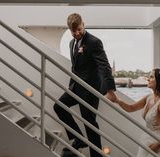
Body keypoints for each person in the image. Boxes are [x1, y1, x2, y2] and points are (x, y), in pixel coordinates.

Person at [53, 13, 117, 157]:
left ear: (84, 24)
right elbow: (75, 68)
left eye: (79, 29)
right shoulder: (71, 43)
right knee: (59, 106)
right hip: (76, 87)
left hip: (90, 90)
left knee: (89, 122)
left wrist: (110, 89)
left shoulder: (94, 42)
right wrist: (71, 86)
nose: (77, 33)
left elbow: (104, 66)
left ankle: (96, 155)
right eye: (73, 31)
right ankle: (78, 139)